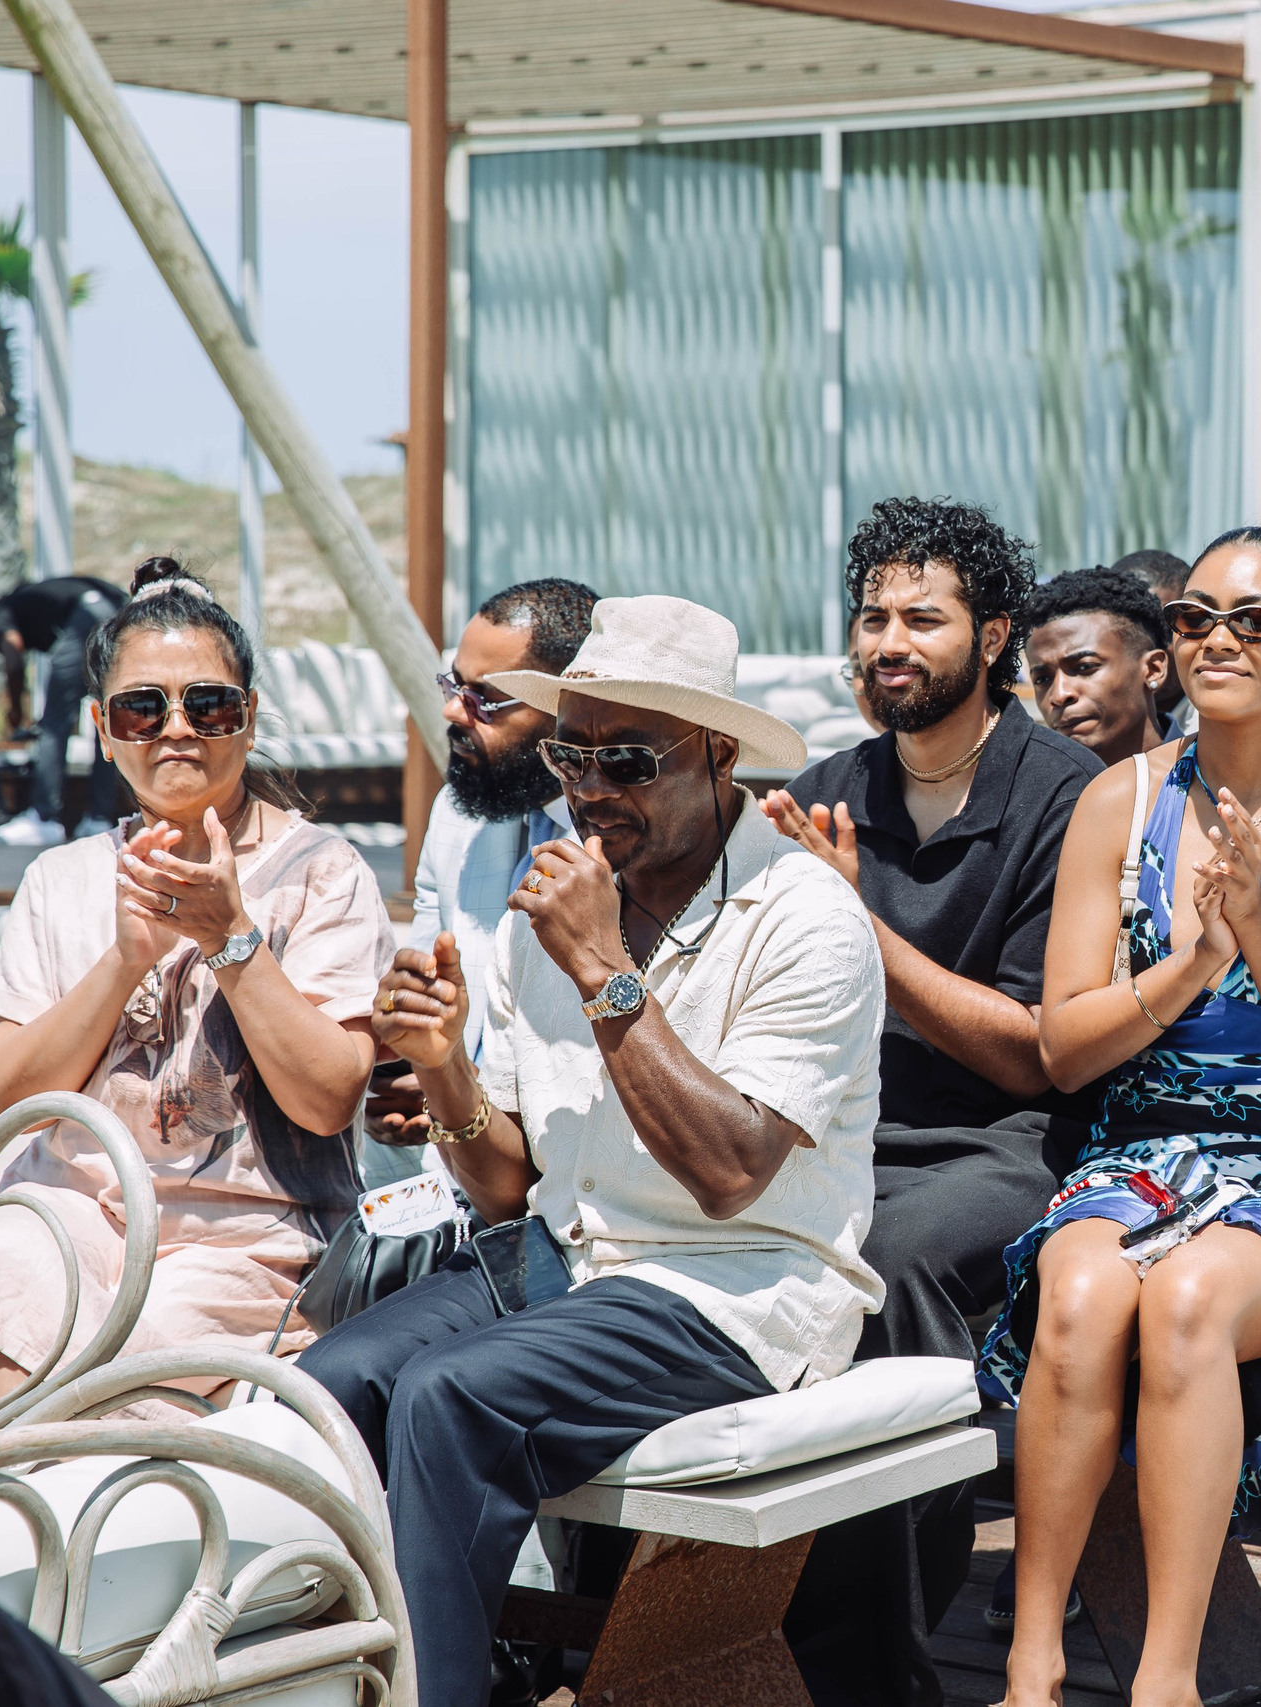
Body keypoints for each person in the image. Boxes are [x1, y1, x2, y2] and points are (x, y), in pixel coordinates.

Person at [299, 596, 882, 1707]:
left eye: (626, 759)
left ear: (716, 756)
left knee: (449, 1399)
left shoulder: (802, 915)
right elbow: (509, 1184)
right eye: (573, 754)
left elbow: (727, 1175)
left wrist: (605, 975)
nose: (591, 788)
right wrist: (445, 1070)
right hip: (568, 1258)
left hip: (734, 1285)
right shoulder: (562, 902)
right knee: (329, 1387)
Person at [985, 526, 1261, 1707]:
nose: (1218, 639)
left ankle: (1163, 1683)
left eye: (1255, 619)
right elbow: (1065, 1049)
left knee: (1182, 1304)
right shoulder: (1118, 805)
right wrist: (1187, 967)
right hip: (1142, 1154)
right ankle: (1032, 1661)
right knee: (1079, 1298)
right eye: (1193, 619)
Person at [768, 497, 1101, 1705]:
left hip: (1011, 1143)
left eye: (922, 617)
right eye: (871, 617)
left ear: (995, 632)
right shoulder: (823, 788)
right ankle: (691, 1614)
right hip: (837, 1135)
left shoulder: (1068, 796)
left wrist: (856, 925)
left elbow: (1035, 1059)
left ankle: (879, 1659)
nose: (886, 640)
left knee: (893, 1260)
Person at [0, 559, 391, 1414]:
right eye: (142, 708)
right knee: (10, 1261)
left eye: (209, 704)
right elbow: (12, 1097)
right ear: (104, 729)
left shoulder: (321, 872)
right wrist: (125, 959)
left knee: (123, 1362)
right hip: (79, 1208)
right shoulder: (64, 875)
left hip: (246, 1238)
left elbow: (330, 1097)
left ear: (249, 717)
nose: (177, 728)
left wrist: (231, 938)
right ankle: (26, 1524)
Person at [363, 577, 597, 1163]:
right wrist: (413, 1069)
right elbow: (432, 987)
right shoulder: (458, 815)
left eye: (485, 698)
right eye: (454, 684)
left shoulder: (627, 841)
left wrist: (458, 1095)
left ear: (573, 705)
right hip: (455, 1168)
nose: (452, 710)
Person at [0, 571, 127, 845]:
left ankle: (43, 819)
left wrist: (15, 710)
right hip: (122, 614)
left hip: (88, 618)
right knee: (109, 719)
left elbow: (13, 658)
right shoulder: (42, 600)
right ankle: (99, 819)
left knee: (53, 725)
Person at [1022, 566, 1170, 768]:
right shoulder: (1036, 791)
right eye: (1042, 679)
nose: (1059, 695)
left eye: (1085, 667)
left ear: (1153, 670)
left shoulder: (1211, 782)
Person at [1117, 547, 1193, 734]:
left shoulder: (1221, 727)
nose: (1154, 648)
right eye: (1135, 632)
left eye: (1168, 628)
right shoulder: (1085, 729)